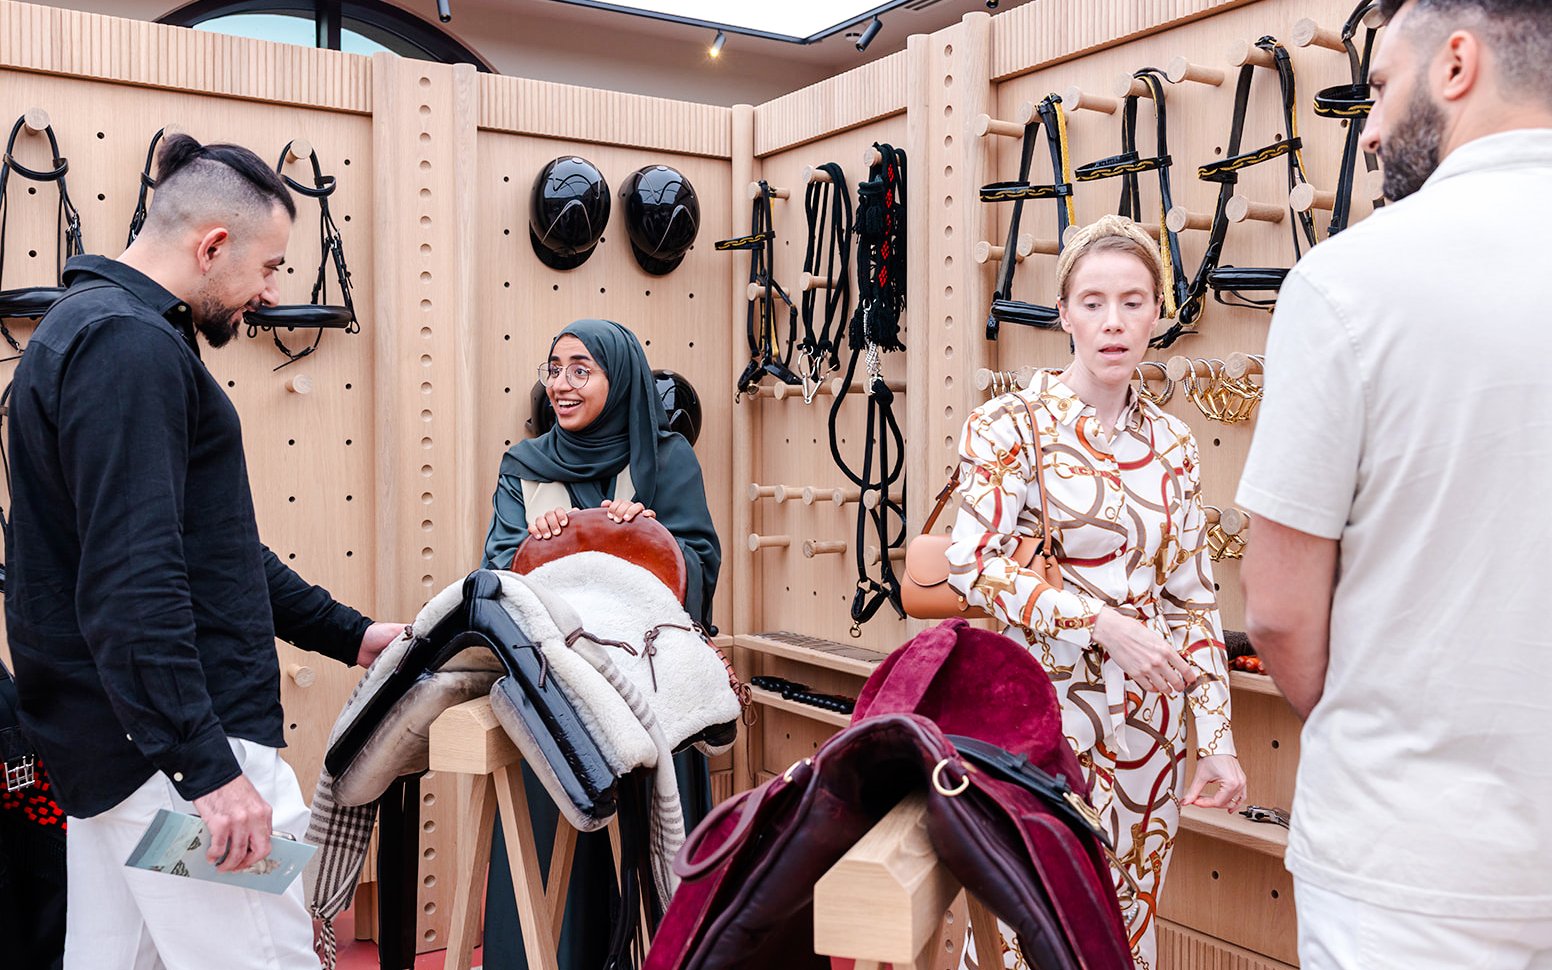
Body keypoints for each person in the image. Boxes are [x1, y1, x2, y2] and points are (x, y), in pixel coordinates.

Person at [2, 134, 403, 970]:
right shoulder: (129, 349)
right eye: (267, 267)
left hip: (123, 764)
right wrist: (209, 774)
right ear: (211, 245)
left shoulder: (88, 336)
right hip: (179, 768)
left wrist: (349, 634)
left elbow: (203, 551)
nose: (270, 292)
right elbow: (131, 584)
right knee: (269, 960)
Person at [1237, 1, 1552, 965]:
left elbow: (1281, 617)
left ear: (1456, 64)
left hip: (1411, 875)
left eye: (1379, 87)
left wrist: (1390, 724)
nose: (1368, 129)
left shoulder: (1348, 283)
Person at [948, 216, 1246, 969]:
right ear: (1063, 312)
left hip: (1151, 733)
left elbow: (1193, 600)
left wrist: (1214, 740)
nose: (1113, 322)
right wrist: (1103, 625)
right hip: (1042, 728)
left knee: (1125, 933)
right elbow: (971, 564)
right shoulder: (1008, 425)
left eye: (1133, 301)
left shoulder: (1175, 444)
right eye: (1092, 302)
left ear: (1158, 313)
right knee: (1029, 927)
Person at [480, 317, 721, 970]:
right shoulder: (523, 468)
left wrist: (646, 540)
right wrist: (545, 542)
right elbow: (499, 573)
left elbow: (698, 564)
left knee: (648, 879)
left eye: (581, 370)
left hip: (652, 695)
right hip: (556, 696)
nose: (562, 384)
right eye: (554, 369)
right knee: (553, 885)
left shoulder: (666, 459)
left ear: (619, 379)